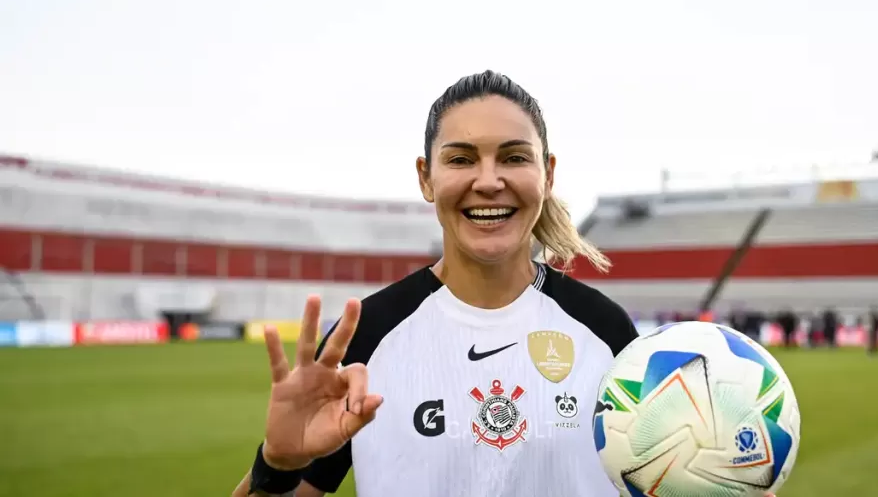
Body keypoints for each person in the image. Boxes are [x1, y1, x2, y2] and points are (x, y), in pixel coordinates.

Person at [232, 71, 642, 497]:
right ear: (426, 177)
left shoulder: (606, 333)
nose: (487, 182)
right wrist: (276, 465)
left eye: (515, 158)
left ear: (548, 174)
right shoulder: (368, 336)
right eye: (461, 160)